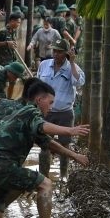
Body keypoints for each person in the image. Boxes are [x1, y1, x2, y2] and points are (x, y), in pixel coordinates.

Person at [0, 81, 89, 218]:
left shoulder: (13, 115)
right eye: (50, 102)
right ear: (39, 100)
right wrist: (70, 130)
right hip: (2, 167)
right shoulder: (31, 112)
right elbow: (43, 126)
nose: (51, 107)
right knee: (45, 184)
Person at [37, 39, 85, 179]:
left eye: (59, 51)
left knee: (65, 146)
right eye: (54, 51)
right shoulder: (44, 65)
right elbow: (38, 85)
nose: (56, 54)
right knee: (44, 146)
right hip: (46, 113)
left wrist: (72, 63)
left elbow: (79, 82)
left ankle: (64, 176)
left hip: (65, 113)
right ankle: (43, 177)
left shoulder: (73, 67)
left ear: (66, 53)